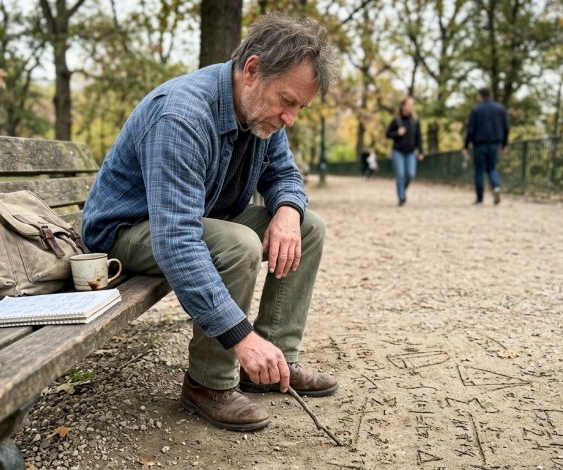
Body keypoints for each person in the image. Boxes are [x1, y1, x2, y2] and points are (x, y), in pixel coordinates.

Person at [81, 13, 339, 433]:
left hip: (200, 218)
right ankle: (209, 383)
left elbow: (283, 175)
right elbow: (177, 239)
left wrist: (289, 211)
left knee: (308, 227)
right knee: (237, 243)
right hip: (126, 233)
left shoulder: (264, 113)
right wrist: (241, 337)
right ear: (252, 70)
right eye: (287, 101)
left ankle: (276, 363)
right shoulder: (181, 115)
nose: (291, 117)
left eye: (300, 107)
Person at [462, 87, 510, 205]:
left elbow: (470, 130)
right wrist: (504, 143)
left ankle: (479, 199)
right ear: (491, 95)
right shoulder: (500, 109)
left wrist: (466, 146)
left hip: (479, 145)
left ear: (480, 96)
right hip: (495, 144)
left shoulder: (476, 110)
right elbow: (506, 128)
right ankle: (496, 186)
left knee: (479, 171)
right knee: (492, 168)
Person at [386, 96, 424, 206]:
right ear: (403, 106)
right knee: (400, 174)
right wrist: (397, 133)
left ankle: (401, 189)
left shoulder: (415, 121)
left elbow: (419, 137)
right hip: (398, 152)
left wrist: (421, 151)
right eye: (409, 104)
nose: (411, 107)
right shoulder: (396, 120)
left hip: (411, 152)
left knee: (411, 174)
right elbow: (388, 134)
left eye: (412, 104)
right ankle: (401, 197)